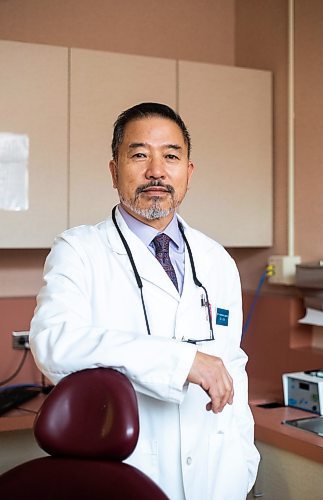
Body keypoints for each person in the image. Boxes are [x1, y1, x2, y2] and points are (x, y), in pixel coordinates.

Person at [30, 102, 260, 500]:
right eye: (139, 155)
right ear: (114, 170)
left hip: (218, 477)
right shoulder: (79, 250)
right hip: (131, 474)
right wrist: (180, 360)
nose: (157, 170)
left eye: (171, 156)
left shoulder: (217, 260)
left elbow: (232, 366)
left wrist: (242, 463)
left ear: (188, 172)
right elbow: (54, 343)